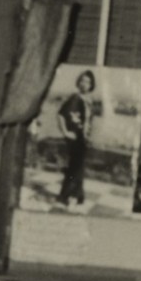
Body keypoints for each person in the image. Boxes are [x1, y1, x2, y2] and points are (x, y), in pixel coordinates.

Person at [55, 68, 95, 209]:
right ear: (78, 82)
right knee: (74, 168)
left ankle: (78, 195)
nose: (85, 84)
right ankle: (64, 196)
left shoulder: (88, 100)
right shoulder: (75, 98)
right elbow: (60, 114)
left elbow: (88, 120)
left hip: (83, 138)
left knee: (78, 166)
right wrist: (65, 132)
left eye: (88, 82)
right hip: (74, 138)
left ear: (91, 85)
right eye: (83, 80)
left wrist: (89, 135)